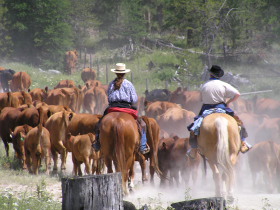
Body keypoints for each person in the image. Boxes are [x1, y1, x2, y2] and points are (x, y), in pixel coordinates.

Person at [186, 65, 252, 159]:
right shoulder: (223, 84)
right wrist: (228, 102)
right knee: (239, 124)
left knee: (195, 128)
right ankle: (243, 143)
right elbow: (237, 94)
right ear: (219, 75)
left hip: (206, 109)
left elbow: (201, 98)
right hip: (221, 107)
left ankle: (193, 149)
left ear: (210, 74)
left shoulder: (204, 85)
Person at [92, 63, 150, 154]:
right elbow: (134, 99)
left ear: (116, 73)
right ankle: (143, 146)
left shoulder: (111, 84)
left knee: (99, 123)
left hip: (113, 108)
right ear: (124, 73)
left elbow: (109, 97)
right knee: (142, 124)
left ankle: (97, 143)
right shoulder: (129, 84)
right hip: (127, 108)